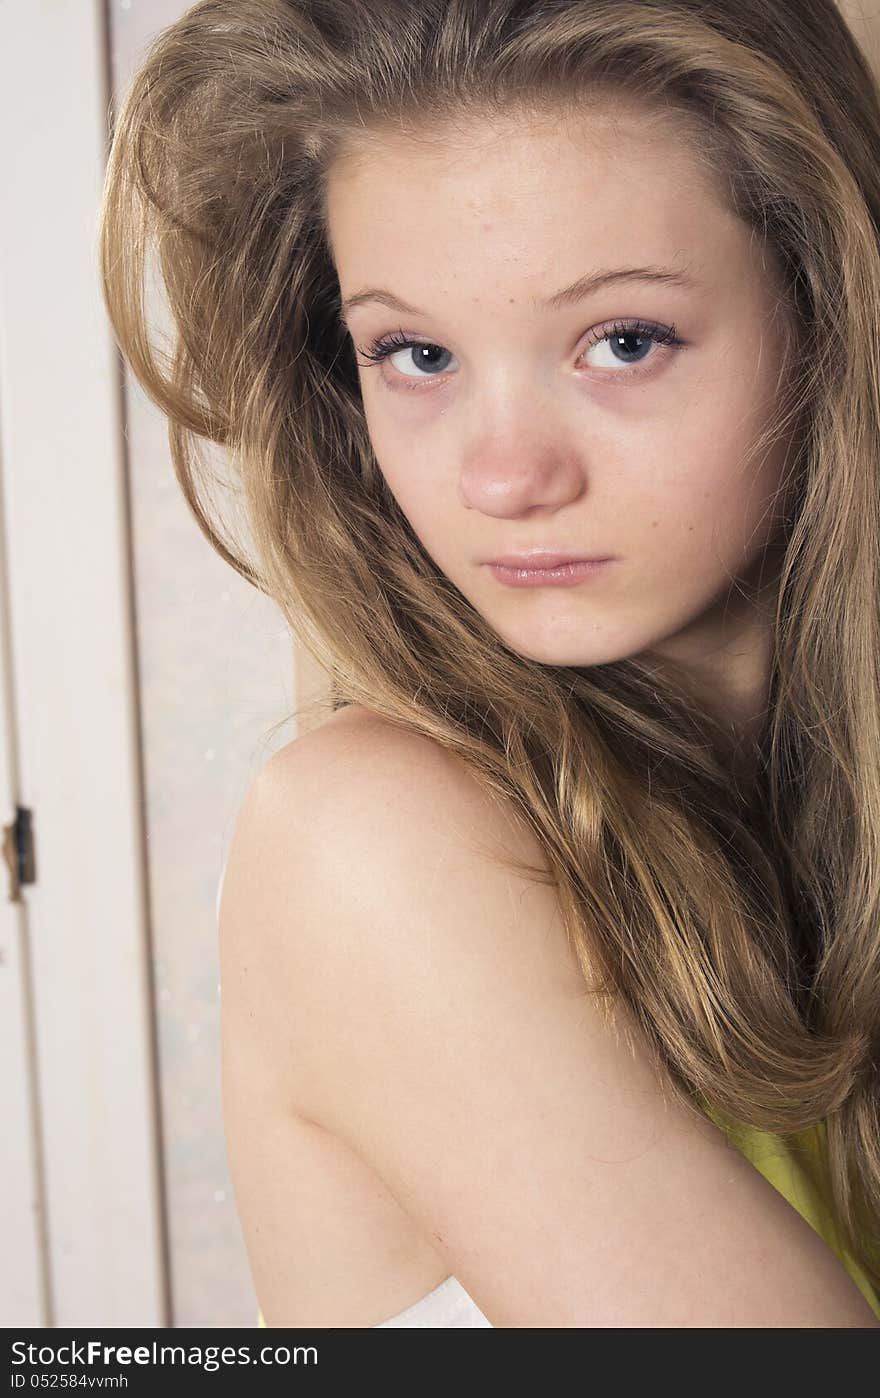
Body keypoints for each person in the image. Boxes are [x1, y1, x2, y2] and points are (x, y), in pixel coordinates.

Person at [99, 0, 880, 1327]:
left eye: (621, 341)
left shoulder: (814, 826)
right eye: (417, 354)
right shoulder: (369, 838)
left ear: (829, 313)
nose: (505, 475)